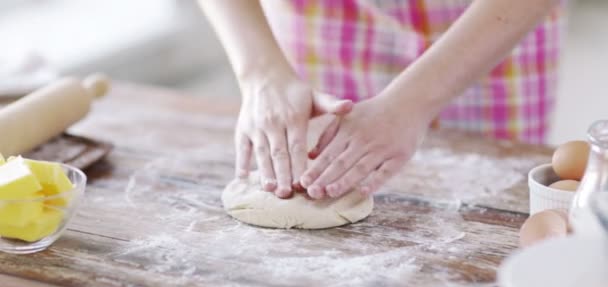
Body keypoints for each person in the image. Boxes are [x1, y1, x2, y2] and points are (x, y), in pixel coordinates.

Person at [200, 0, 564, 200]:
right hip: (321, 25)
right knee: (320, 175)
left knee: (495, 197)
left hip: (485, 29)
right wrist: (261, 72)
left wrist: (414, 102)